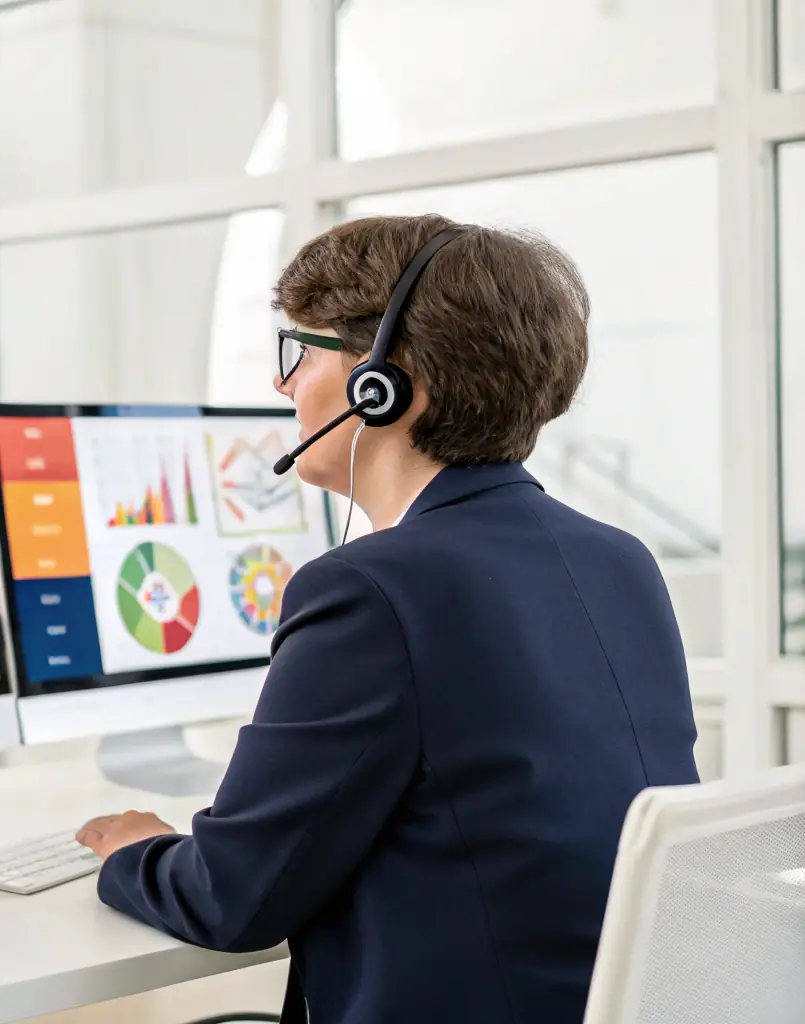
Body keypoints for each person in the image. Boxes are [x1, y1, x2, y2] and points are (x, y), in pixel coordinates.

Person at [74, 214, 700, 1024]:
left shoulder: (368, 590)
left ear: (384, 380)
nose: (283, 384)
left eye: (301, 350)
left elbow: (231, 899)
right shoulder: (620, 560)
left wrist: (133, 850)